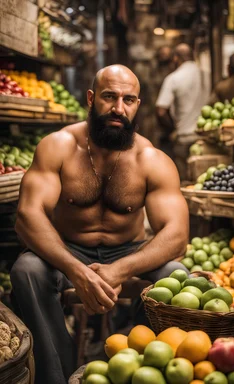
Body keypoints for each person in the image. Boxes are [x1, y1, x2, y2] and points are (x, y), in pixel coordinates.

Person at [10, 64, 189, 384]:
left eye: (128, 99)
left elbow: (177, 236)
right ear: (91, 99)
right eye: (109, 97)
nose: (118, 108)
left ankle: (133, 363)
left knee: (176, 276)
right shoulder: (58, 146)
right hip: (67, 250)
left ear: (138, 105)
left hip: (128, 252)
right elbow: (28, 216)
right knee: (27, 270)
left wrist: (118, 270)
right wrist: (77, 271)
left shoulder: (151, 159)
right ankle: (56, 373)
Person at [155, 43, 206, 180]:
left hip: (183, 137)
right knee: (202, 180)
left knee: (183, 183)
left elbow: (161, 111)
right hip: (205, 137)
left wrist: (172, 128)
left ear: (176, 58)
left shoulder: (174, 78)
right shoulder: (207, 75)